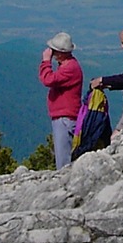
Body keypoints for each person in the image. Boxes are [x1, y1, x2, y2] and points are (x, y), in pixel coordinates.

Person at [40, 31, 83, 169]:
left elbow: (48, 79)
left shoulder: (69, 68)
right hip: (64, 117)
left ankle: (65, 184)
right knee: (63, 155)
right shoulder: (68, 65)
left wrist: (46, 61)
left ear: (60, 52)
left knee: (63, 159)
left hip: (65, 119)